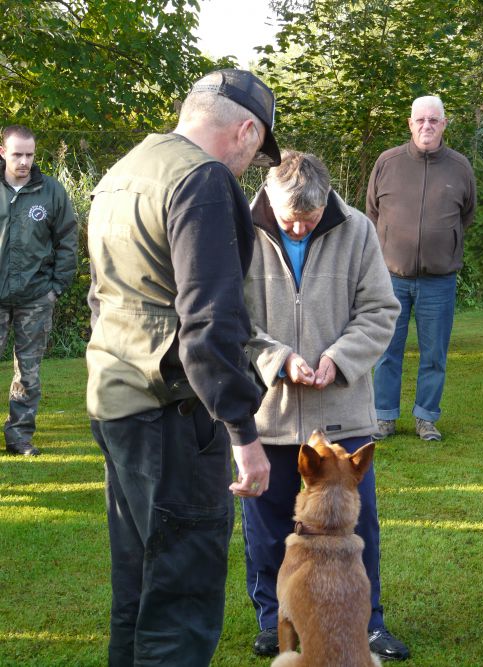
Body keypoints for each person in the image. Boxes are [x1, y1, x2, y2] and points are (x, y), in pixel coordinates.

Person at [86, 69, 281, 667]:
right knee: (183, 599)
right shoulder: (203, 179)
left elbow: (101, 295)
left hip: (115, 396)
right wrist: (244, 435)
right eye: (258, 149)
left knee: (139, 585)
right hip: (171, 411)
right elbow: (211, 322)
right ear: (247, 130)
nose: (253, 163)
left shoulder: (129, 169)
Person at [242, 150, 410, 662]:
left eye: (308, 221)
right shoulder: (238, 231)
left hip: (343, 413)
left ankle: (369, 622)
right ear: (269, 200)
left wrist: (338, 359)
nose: (297, 229)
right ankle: (276, 621)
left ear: (327, 205)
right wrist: (277, 359)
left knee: (357, 530)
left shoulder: (359, 229)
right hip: (268, 413)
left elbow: (381, 310)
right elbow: (226, 318)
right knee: (268, 529)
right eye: (289, 219)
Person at [366, 96, 476, 442]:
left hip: (439, 281)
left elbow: (466, 214)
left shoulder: (460, 167)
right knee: (386, 352)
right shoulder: (387, 162)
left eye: (433, 120)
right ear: (410, 123)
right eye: (420, 120)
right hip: (391, 279)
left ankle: (426, 418)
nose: (426, 126)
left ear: (444, 124)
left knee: (434, 354)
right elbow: (371, 212)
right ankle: (384, 417)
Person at [0, 125, 77, 456]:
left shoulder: (51, 192)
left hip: (35, 298)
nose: (24, 161)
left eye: (30, 154)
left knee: (28, 374)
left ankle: (19, 438)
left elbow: (68, 241)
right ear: (3, 151)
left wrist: (56, 288)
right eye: (17, 154)